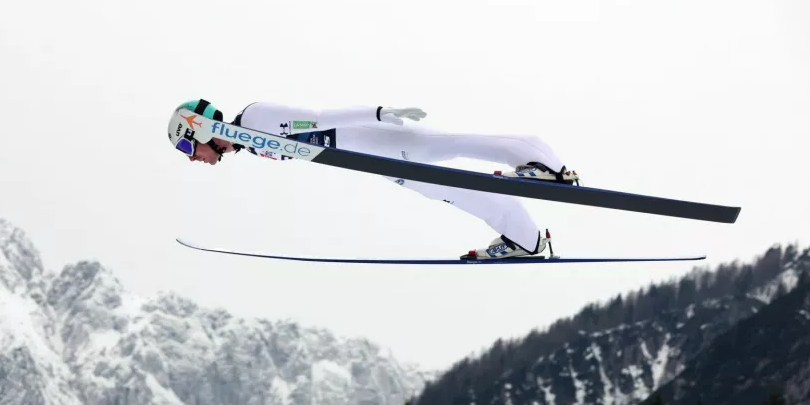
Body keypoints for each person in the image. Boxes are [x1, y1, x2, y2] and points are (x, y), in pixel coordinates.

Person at [167, 98, 579, 260]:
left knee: (452, 170)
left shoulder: (254, 119)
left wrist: (377, 114)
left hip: (379, 142)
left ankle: (539, 175)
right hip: (377, 156)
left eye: (188, 149)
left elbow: (322, 120)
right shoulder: (252, 142)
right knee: (453, 182)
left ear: (198, 129)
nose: (193, 159)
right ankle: (528, 232)